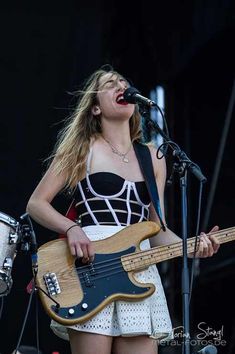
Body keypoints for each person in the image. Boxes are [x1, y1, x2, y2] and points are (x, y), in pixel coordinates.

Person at [26, 66, 220, 354]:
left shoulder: (152, 156)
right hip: (90, 267)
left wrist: (191, 247)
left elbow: (157, 231)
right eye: (110, 84)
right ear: (94, 108)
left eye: (124, 82)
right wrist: (72, 228)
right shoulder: (82, 149)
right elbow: (36, 204)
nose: (120, 86)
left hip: (139, 270)